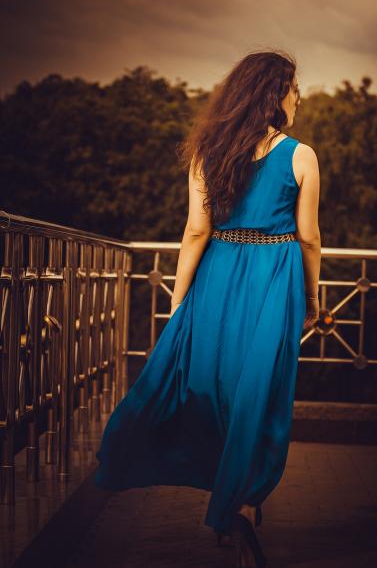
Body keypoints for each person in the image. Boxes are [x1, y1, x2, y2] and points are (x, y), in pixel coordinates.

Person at [94, 50, 321, 568]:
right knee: (257, 394)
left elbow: (195, 231)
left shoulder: (207, 151)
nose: (298, 96)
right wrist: (311, 299)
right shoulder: (301, 155)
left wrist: (180, 302)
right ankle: (241, 501)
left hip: (218, 275)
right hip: (273, 281)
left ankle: (228, 500)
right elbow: (309, 238)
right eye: (293, 88)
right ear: (273, 95)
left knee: (215, 386)